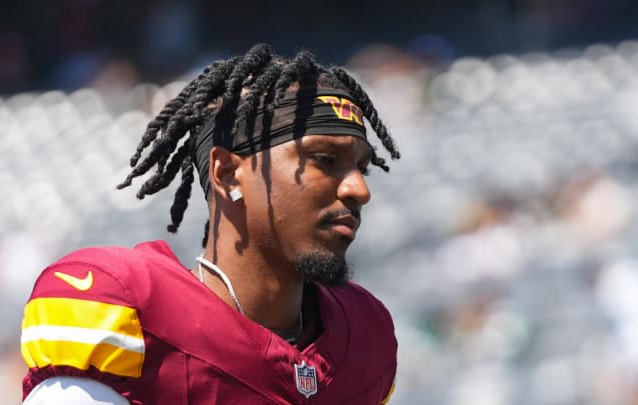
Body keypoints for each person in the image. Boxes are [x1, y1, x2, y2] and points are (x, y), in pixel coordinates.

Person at [20, 43, 400, 404]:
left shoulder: (364, 340)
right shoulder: (133, 322)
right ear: (228, 174)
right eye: (324, 160)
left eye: (361, 167)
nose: (359, 189)